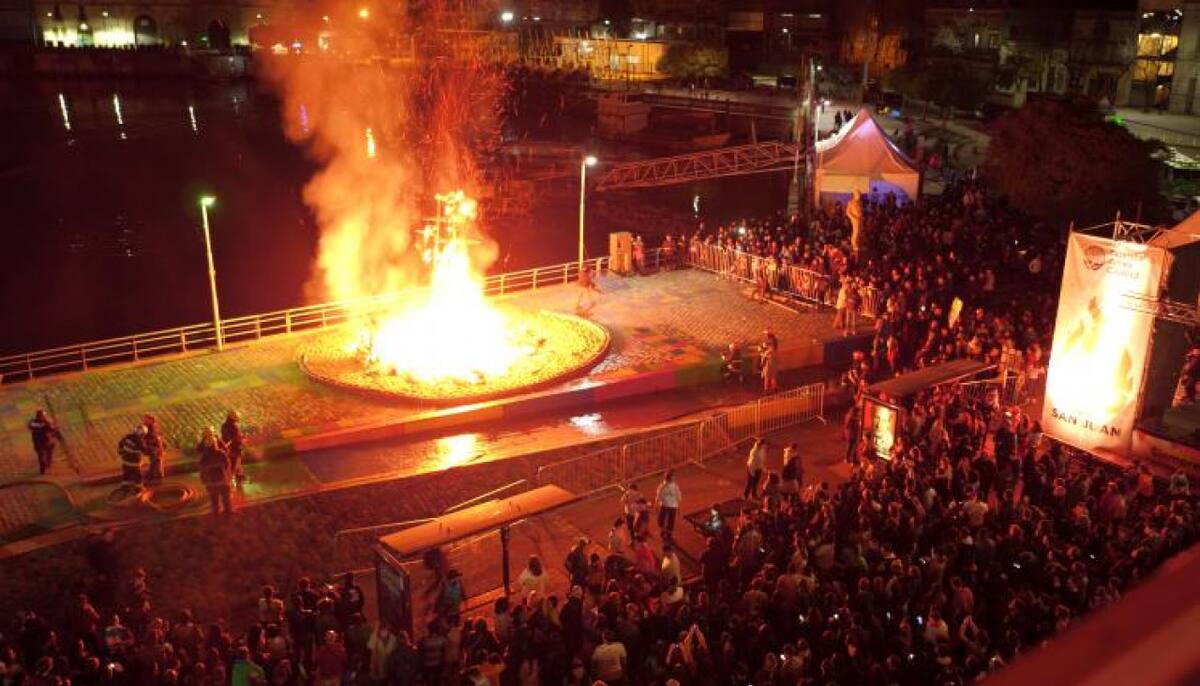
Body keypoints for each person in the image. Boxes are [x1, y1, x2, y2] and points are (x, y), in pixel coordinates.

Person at [197, 427, 232, 515]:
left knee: (214, 499)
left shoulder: (203, 457)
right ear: (215, 443)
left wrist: (204, 480)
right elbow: (227, 465)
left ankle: (215, 512)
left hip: (211, 482)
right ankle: (228, 511)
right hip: (222, 481)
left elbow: (202, 469)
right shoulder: (221, 453)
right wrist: (227, 476)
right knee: (226, 498)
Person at [27, 409, 63, 476]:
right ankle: (42, 470)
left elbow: (54, 430)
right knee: (41, 458)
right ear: (38, 416)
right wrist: (43, 425)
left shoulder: (47, 422)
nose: (45, 417)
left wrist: (60, 437)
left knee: (49, 455)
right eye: (43, 415)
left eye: (45, 415)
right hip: (39, 444)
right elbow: (30, 425)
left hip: (48, 443)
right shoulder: (34, 422)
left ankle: (48, 464)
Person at [117, 425, 147, 491]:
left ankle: (125, 487)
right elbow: (145, 450)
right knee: (138, 475)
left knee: (127, 474)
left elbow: (120, 445)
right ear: (142, 434)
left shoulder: (127, 437)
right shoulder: (139, 440)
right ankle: (138, 488)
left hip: (125, 460)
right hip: (134, 462)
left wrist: (121, 452)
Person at [654, 470, 682, 537]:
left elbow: (678, 496)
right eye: (673, 477)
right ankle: (666, 531)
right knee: (664, 521)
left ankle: (667, 532)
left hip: (669, 506)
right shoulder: (663, 486)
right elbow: (659, 495)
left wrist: (678, 506)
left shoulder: (674, 486)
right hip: (666, 505)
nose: (674, 478)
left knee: (667, 521)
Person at [221, 410, 247, 483]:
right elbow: (236, 438)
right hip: (235, 449)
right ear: (232, 416)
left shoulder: (224, 425)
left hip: (229, 449)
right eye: (237, 416)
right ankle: (229, 481)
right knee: (235, 464)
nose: (238, 417)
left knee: (236, 464)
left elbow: (226, 437)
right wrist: (243, 440)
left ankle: (240, 478)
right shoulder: (234, 426)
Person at [143, 415, 166, 486]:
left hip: (155, 449)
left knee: (156, 463)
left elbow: (156, 438)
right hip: (154, 449)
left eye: (146, 419)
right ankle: (155, 477)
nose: (144, 420)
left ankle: (157, 479)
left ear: (151, 420)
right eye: (144, 419)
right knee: (155, 463)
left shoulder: (152, 429)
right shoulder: (149, 428)